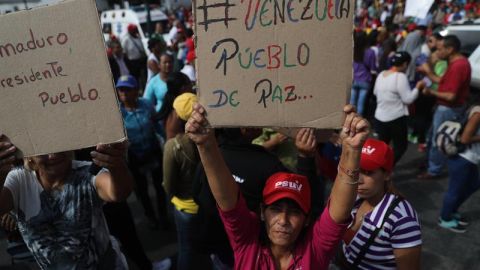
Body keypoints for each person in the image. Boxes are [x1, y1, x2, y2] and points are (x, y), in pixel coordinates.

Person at [186, 104, 370, 269]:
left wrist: (352, 150)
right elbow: (227, 200)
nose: (283, 220)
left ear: (307, 220)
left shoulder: (315, 249)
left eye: (295, 212)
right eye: (275, 209)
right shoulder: (247, 241)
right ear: (261, 213)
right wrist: (206, 144)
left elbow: (338, 213)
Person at [0, 135, 133, 269]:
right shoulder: (19, 180)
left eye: (58, 146)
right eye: (42, 151)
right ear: (29, 156)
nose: (53, 155)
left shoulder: (86, 174)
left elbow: (118, 192)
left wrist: (117, 165)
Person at [338, 138, 422, 270]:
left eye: (367, 172)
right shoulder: (353, 196)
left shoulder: (403, 220)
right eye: (356, 169)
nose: (358, 179)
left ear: (387, 174)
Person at [163, 93, 211, 270]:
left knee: (186, 249)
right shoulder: (211, 139)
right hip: (208, 204)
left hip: (185, 208)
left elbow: (169, 185)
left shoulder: (173, 146)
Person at [116, 75, 169, 229]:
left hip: (152, 150)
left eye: (127, 89)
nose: (124, 93)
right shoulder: (118, 113)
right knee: (142, 189)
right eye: (121, 90)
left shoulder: (146, 105)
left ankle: (163, 215)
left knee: (159, 186)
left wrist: (165, 141)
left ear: (136, 91)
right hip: (134, 156)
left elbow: (156, 125)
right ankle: (150, 216)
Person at [417, 35, 471, 179]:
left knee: (438, 140)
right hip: (444, 108)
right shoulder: (455, 63)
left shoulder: (458, 66)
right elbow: (443, 80)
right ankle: (430, 164)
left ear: (450, 49)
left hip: (448, 109)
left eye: (440, 49)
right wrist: (429, 71)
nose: (437, 52)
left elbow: (451, 96)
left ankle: (434, 170)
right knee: (432, 137)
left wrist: (430, 91)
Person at [374, 51, 425, 163]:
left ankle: (378, 169)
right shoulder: (400, 76)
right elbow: (408, 99)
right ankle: (386, 169)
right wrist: (418, 87)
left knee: (382, 146)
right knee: (400, 146)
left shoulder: (381, 74)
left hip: (380, 116)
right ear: (405, 64)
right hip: (396, 118)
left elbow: (375, 92)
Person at [439, 104, 480, 233]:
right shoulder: (478, 114)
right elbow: (465, 138)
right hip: (463, 158)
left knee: (474, 183)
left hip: (470, 158)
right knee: (455, 190)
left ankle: (451, 210)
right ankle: (444, 218)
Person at [156, 72, 193, 140]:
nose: (192, 87)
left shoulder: (171, 107)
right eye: (190, 84)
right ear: (183, 88)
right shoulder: (182, 111)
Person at [350, 31, 377, 116]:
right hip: (365, 80)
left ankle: (350, 120)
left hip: (354, 79)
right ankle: (357, 124)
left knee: (352, 103)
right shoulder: (370, 52)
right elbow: (373, 69)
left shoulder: (352, 49)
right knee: (361, 104)